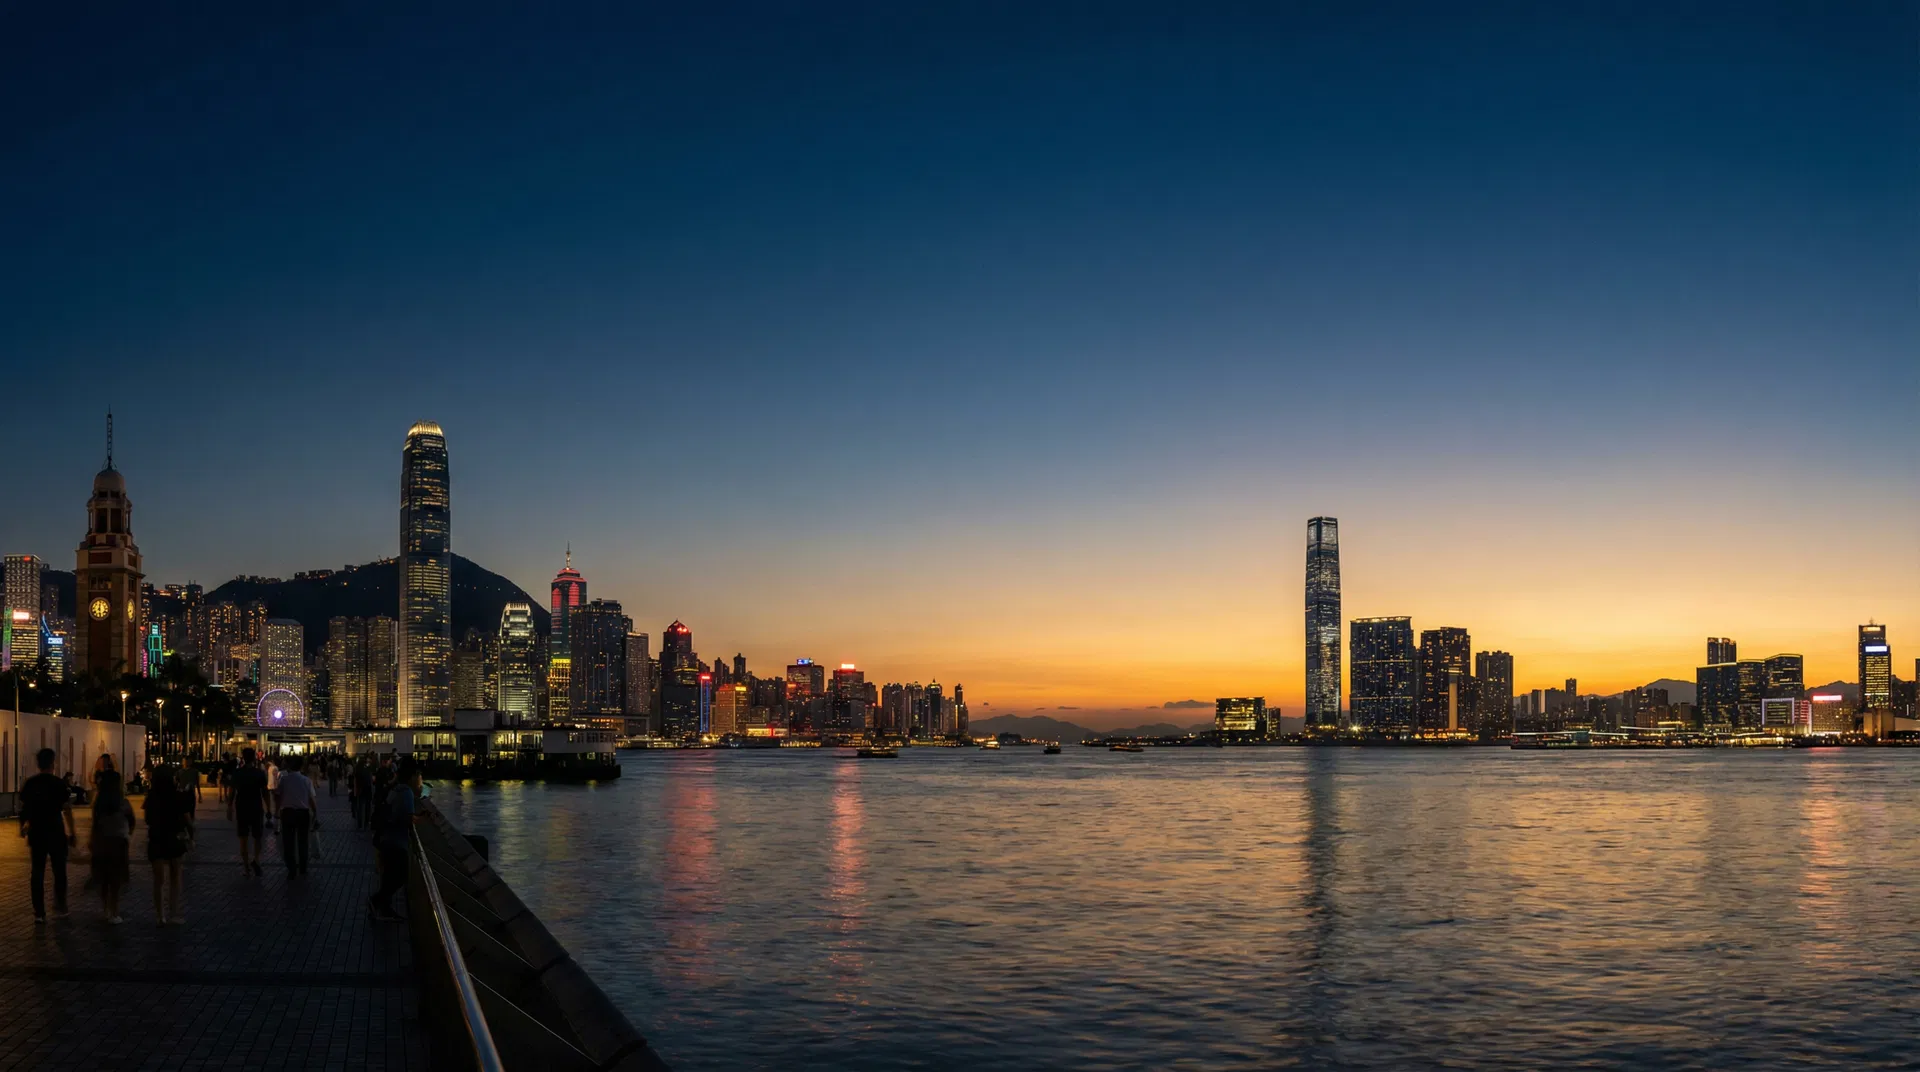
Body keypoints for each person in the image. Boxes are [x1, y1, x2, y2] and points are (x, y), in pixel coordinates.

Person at [18, 748, 75, 924]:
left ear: (38, 763)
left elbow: (24, 808)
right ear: (53, 763)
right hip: (55, 831)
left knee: (37, 871)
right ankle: (60, 906)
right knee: (59, 870)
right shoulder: (58, 784)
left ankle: (39, 912)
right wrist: (72, 831)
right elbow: (66, 809)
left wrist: (23, 826)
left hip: (37, 832)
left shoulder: (30, 783)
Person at [367, 759, 422, 922]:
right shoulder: (407, 793)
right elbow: (405, 818)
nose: (420, 778)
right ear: (412, 776)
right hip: (397, 841)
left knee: (389, 875)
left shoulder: (396, 789)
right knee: (401, 875)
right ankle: (376, 900)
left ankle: (385, 908)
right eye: (418, 775)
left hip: (386, 838)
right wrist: (419, 819)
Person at [143, 766, 194, 925]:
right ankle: (173, 913)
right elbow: (188, 821)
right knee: (175, 876)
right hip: (174, 838)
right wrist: (191, 837)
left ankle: (160, 915)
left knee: (158, 880)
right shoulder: (178, 796)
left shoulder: (151, 797)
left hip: (157, 838)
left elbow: (147, 819)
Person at [90, 769, 136, 924]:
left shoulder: (99, 802)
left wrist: (92, 841)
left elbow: (95, 824)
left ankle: (105, 909)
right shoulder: (123, 803)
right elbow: (132, 821)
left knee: (104, 877)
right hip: (118, 842)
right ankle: (114, 911)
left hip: (102, 842)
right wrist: (128, 833)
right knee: (116, 878)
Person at [227, 748, 270, 876]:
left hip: (242, 807)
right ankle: (256, 859)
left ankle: (246, 867)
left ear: (243, 758)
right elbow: (265, 793)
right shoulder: (259, 773)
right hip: (256, 807)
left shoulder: (237, 773)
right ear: (255, 758)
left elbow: (232, 791)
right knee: (258, 837)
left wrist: (229, 807)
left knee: (243, 838)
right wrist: (268, 808)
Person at [274, 755, 317, 877]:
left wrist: (276, 813)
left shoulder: (284, 780)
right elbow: (312, 799)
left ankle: (291, 869)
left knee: (288, 842)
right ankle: (303, 867)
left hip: (287, 813)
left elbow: (277, 796)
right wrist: (315, 812)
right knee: (303, 841)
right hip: (303, 813)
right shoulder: (306, 780)